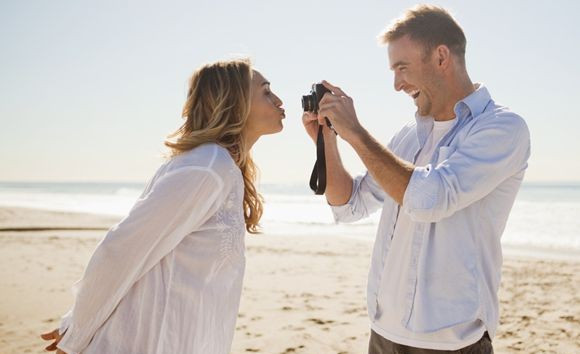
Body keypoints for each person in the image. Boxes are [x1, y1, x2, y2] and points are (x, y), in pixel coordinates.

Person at [302, 5, 530, 353]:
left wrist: (357, 132)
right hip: (383, 334)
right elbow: (350, 205)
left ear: (441, 57)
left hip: (452, 343)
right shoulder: (409, 136)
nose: (396, 84)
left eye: (402, 68)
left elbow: (429, 199)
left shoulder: (501, 128)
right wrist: (329, 141)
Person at [40, 58, 285, 354]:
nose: (278, 100)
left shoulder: (221, 167)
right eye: (266, 92)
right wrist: (76, 331)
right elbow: (121, 249)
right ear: (235, 103)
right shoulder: (207, 167)